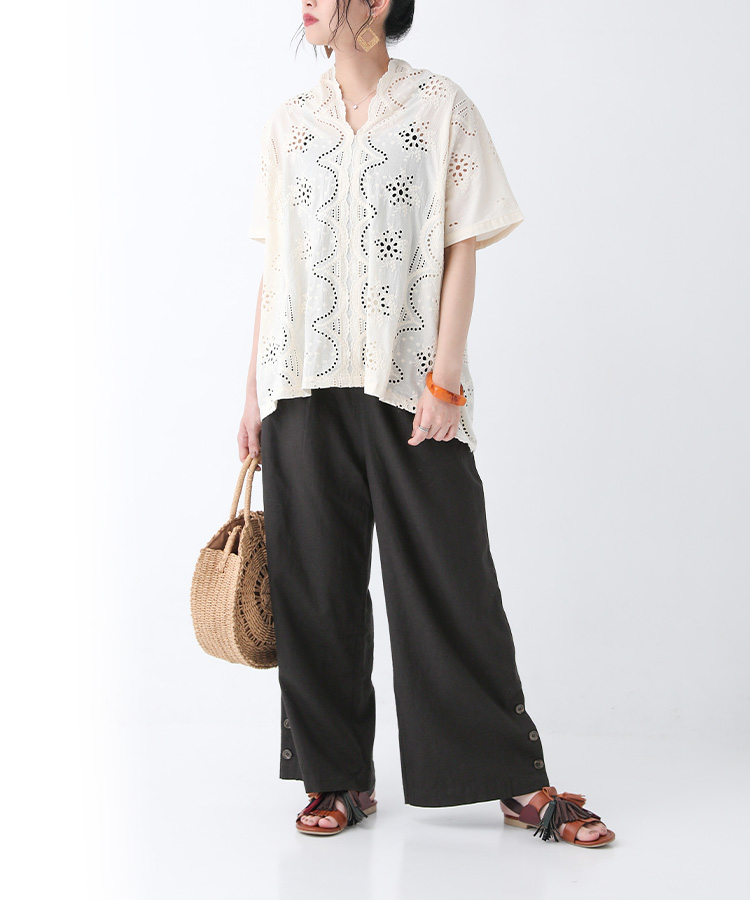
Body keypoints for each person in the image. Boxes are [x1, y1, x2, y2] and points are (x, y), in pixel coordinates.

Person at [237, 0, 615, 848]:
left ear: (377, 4)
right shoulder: (289, 124)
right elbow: (277, 266)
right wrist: (251, 394)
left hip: (410, 383)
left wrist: (444, 380)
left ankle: (513, 780)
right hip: (299, 381)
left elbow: (461, 244)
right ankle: (337, 776)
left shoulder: (439, 109)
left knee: (448, 578)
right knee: (313, 585)